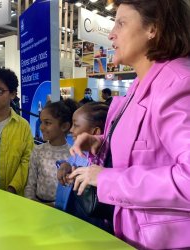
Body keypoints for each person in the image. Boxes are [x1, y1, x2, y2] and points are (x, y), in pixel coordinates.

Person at [66, 1, 190, 249]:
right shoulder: (139, 84)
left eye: (121, 23)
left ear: (152, 28)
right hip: (134, 233)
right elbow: (149, 146)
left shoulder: (177, 83)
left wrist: (108, 179)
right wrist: (100, 144)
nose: (111, 33)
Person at [57, 102, 112, 232]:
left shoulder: (108, 158)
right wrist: (65, 166)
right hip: (75, 215)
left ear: (95, 132)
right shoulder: (78, 150)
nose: (71, 130)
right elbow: (70, 164)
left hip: (97, 223)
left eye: (76, 125)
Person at [24, 99, 77, 205]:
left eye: (47, 123)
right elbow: (31, 183)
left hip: (61, 210)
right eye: (41, 122)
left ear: (64, 126)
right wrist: (30, 204)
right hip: (37, 206)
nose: (41, 127)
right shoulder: (38, 150)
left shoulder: (73, 155)